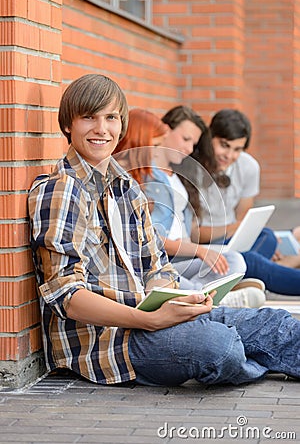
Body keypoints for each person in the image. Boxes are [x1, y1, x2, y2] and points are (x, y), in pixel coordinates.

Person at [28, 74, 300, 387]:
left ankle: (255, 353)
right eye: (89, 117)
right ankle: (258, 356)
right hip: (108, 343)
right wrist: (147, 319)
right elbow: (67, 296)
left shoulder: (127, 188)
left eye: (111, 118)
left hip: (155, 319)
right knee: (219, 346)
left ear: (122, 124)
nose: (101, 129)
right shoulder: (62, 191)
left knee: (275, 323)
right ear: (68, 125)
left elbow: (156, 265)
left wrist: (178, 301)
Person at [116, 106, 265, 308]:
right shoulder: (137, 178)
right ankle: (212, 298)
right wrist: (199, 249)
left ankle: (206, 295)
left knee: (236, 260)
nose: (188, 149)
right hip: (159, 260)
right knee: (167, 278)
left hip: (178, 255)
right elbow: (146, 239)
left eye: (193, 143)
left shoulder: (172, 173)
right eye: (185, 139)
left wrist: (201, 249)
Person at [188, 108, 300, 295]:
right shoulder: (193, 169)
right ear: (210, 137)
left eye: (237, 149)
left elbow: (244, 219)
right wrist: (235, 227)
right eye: (224, 145)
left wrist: (241, 228)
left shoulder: (248, 166)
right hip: (202, 246)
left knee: (267, 237)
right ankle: (277, 266)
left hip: (231, 240)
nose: (229, 155)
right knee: (251, 260)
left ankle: (241, 282)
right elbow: (193, 235)